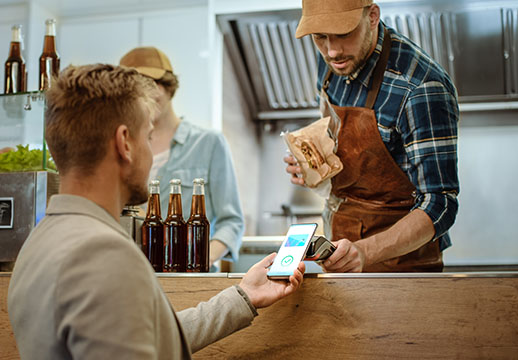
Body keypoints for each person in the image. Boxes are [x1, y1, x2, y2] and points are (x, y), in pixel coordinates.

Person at [7, 64, 305, 359]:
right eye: (148, 137)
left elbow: (147, 337)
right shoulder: (103, 253)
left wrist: (243, 297)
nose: (153, 154)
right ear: (125, 143)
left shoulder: (36, 243)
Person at [285, 0, 459, 272]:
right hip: (340, 245)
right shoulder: (331, 62)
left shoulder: (421, 88)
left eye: (344, 34)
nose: (332, 50)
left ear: (373, 16)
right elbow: (343, 144)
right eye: (320, 37)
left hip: (401, 267)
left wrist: (364, 251)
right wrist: (316, 167)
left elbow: (440, 204)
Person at [119, 47, 244, 270]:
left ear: (168, 87)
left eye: (150, 85)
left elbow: (231, 222)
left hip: (190, 279)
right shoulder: (123, 147)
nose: (144, 97)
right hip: (135, 274)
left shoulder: (209, 143)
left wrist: (199, 260)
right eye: (134, 91)